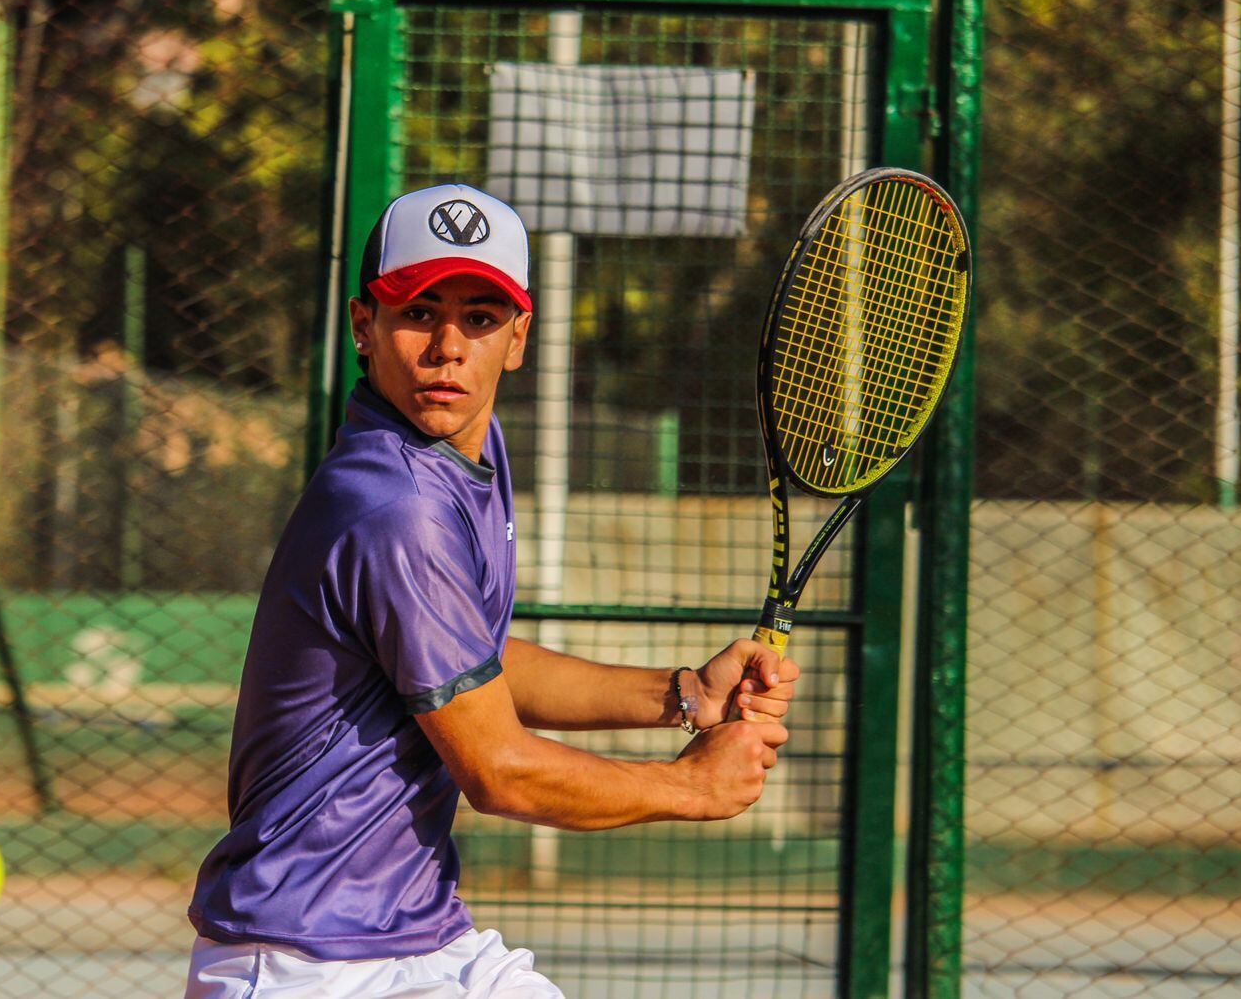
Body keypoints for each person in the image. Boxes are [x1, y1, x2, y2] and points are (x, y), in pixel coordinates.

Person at [185, 184, 800, 998]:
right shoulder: (392, 507)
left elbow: (467, 662)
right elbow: (498, 769)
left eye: (479, 318)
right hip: (309, 964)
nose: (448, 346)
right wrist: (689, 786)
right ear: (364, 326)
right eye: (418, 311)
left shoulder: (465, 454)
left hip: (416, 937)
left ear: (517, 338)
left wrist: (683, 695)